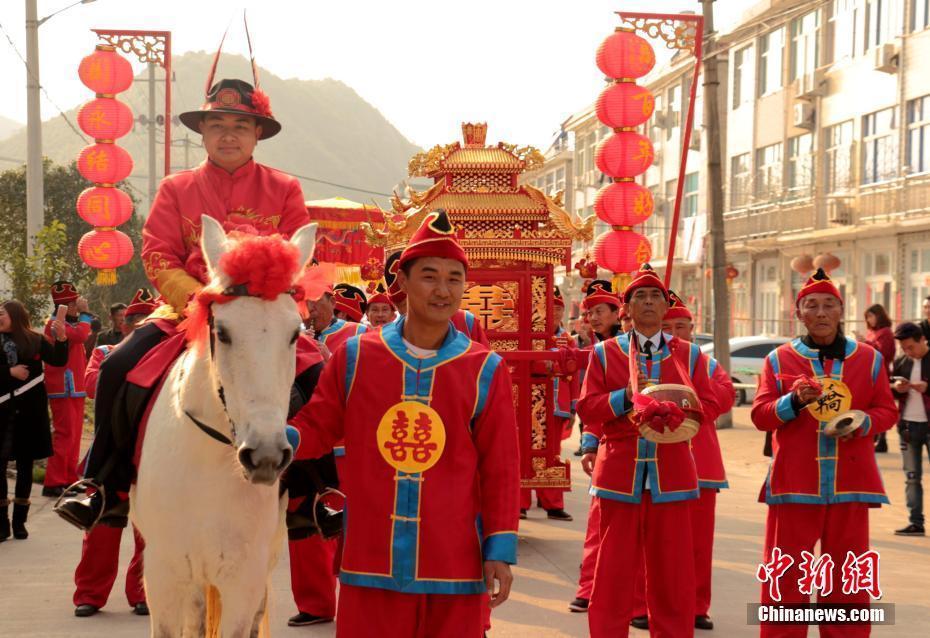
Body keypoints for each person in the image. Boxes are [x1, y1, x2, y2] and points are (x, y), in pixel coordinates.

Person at [55, 72, 311, 530]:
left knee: (318, 374)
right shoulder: (176, 189)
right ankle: (101, 485)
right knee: (117, 369)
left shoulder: (285, 189)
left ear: (257, 134)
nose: (227, 135)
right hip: (183, 310)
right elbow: (156, 254)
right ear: (203, 133)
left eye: (239, 125)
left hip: (261, 315)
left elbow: (296, 261)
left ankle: (314, 495)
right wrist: (203, 299)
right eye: (217, 125)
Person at [290, 210, 519, 637]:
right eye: (430, 276)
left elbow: (501, 468)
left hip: (454, 558)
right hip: (370, 555)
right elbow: (318, 424)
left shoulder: (484, 368)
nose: (443, 290)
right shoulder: (356, 357)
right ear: (404, 283)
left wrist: (500, 547)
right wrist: (273, 439)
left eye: (455, 278)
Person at [751, 268, 898, 638]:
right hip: (794, 483)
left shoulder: (870, 359)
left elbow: (887, 411)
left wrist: (862, 422)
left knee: (848, 580)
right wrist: (793, 402)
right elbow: (760, 415)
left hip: (851, 482)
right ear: (798, 313)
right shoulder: (779, 360)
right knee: (787, 579)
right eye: (811, 305)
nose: (820, 312)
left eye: (828, 305)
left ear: (841, 311)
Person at [575, 265, 720, 638]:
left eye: (656, 295)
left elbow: (709, 404)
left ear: (666, 306)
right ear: (626, 308)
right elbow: (588, 407)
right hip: (619, 474)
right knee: (612, 570)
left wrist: (677, 410)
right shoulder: (606, 353)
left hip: (672, 474)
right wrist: (627, 397)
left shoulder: (688, 355)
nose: (649, 302)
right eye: (640, 296)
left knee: (672, 571)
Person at [625, 291, 734, 632]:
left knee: (696, 544)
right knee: (649, 543)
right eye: (669, 326)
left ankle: (697, 606)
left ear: (691, 327)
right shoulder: (637, 359)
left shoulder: (702, 362)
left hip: (699, 463)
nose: (674, 331)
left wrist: (687, 408)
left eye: (681, 326)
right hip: (650, 463)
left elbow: (723, 397)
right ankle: (643, 604)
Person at [71, 289, 155, 617]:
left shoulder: (166, 355)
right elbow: (92, 384)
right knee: (103, 524)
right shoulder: (107, 351)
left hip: (150, 449)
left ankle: (143, 592)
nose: (140, 327)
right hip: (112, 447)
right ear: (124, 325)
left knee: (149, 529)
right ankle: (89, 594)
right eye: (135, 322)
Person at [569, 279, 624, 613]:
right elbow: (592, 404)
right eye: (589, 312)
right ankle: (590, 587)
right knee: (598, 522)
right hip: (608, 445)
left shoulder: (629, 348)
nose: (592, 318)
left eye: (599, 311)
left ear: (619, 313)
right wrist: (590, 443)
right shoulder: (599, 350)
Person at [0, 301, 67, 541]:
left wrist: (61, 338)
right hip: (2, 411)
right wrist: (9, 372)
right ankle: (2, 523)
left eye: (2, 313)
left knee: (25, 466)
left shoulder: (35, 340)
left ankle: (19, 522)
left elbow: (58, 360)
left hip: (29, 412)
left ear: (15, 316)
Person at [520, 285, 574, 522]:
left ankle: (552, 503)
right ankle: (520, 503)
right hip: (529, 402)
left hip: (556, 405)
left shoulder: (567, 339)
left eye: (559, 309)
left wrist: (573, 405)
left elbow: (575, 374)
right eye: (550, 308)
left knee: (551, 455)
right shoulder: (529, 335)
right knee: (524, 452)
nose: (555, 314)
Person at [42, 282, 93, 498]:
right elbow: (81, 335)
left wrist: (82, 316)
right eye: (73, 303)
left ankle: (70, 478)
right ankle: (53, 481)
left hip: (75, 386)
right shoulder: (54, 323)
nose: (77, 306)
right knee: (64, 434)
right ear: (64, 306)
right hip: (62, 385)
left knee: (75, 435)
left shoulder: (67, 322)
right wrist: (86, 314)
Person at [385, 249, 490, 346]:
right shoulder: (385, 340)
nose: (407, 313)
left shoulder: (465, 321)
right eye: (400, 307)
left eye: (407, 303)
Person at [890, 322, 930, 536]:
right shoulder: (901, 362)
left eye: (910, 347)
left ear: (922, 339)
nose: (907, 352)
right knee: (912, 478)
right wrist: (897, 389)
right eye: (904, 348)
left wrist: (928, 388)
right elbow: (890, 392)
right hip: (907, 426)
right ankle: (916, 522)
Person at [857, 304, 895, 452]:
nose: (869, 320)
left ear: (879, 316)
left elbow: (883, 353)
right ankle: (875, 437)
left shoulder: (885, 332)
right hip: (869, 372)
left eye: (871, 316)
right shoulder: (871, 332)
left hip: (881, 372)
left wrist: (865, 343)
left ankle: (882, 439)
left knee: (880, 404)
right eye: (867, 317)